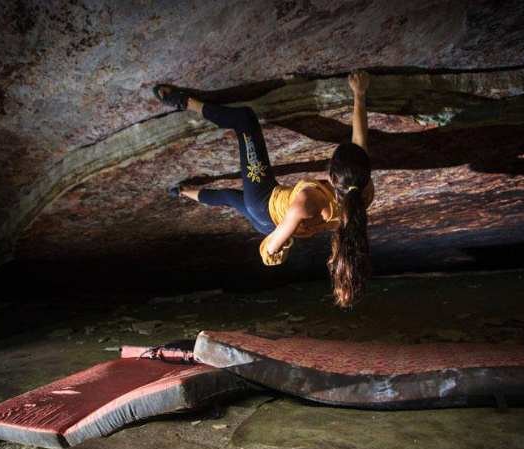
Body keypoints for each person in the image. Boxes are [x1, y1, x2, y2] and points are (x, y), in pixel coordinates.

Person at [154, 70, 374, 307]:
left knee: (245, 120)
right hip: (270, 216)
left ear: (332, 176)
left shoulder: (309, 201)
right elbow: (359, 146)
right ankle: (181, 191)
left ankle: (185, 102)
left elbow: (269, 250)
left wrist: (287, 236)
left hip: (264, 203)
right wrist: (359, 95)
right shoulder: (361, 191)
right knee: (229, 197)